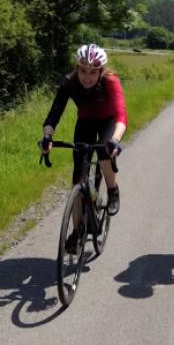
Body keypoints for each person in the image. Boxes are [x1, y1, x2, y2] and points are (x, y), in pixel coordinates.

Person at [40, 44, 127, 220]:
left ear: (101, 71)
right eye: (83, 71)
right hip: (86, 121)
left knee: (104, 153)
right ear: (77, 69)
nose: (87, 77)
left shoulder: (110, 81)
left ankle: (112, 190)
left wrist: (115, 140)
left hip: (108, 121)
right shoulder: (69, 82)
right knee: (77, 178)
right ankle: (76, 232)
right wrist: (47, 136)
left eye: (93, 72)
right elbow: (54, 115)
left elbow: (121, 115)